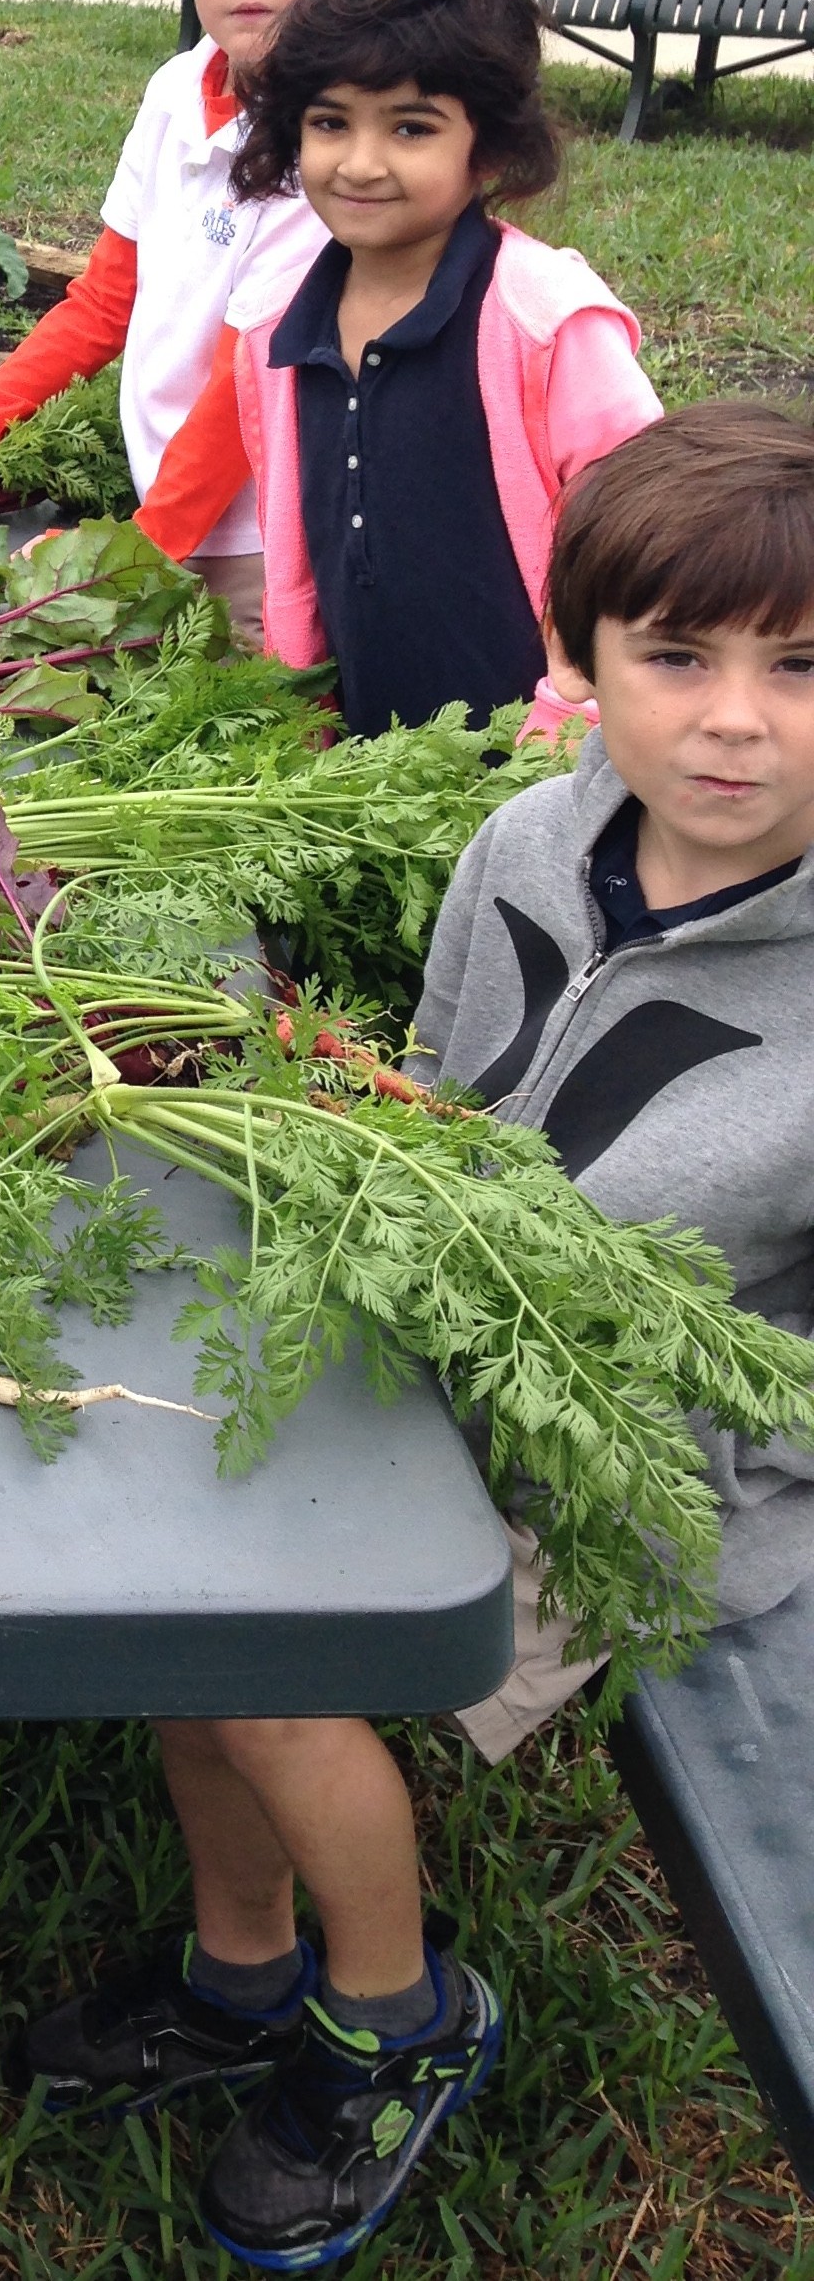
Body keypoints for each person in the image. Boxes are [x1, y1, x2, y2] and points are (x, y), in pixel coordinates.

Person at [418, 403, 814, 1758]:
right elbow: (426, 1086)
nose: (737, 721)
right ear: (573, 658)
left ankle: (385, 1978)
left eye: (803, 665)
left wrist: (692, 1485)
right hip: (428, 1381)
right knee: (218, 1647)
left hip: (617, 1487)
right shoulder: (526, 842)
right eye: (676, 655)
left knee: (287, 1699)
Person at [153, 0, 662, 737]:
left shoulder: (545, 319)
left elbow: (649, 531)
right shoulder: (275, 325)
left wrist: (571, 713)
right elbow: (299, 549)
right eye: (331, 123)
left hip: (544, 760)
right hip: (374, 775)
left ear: (487, 147)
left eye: (411, 129)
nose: (360, 163)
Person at [0, 0, 384, 645]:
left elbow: (245, 384)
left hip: (260, 533)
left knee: (246, 722)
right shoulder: (176, 92)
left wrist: (139, 555)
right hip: (168, 508)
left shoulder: (332, 143)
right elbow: (108, 298)